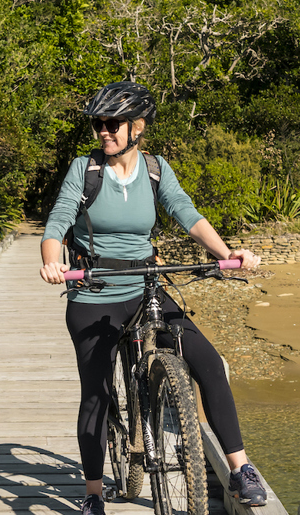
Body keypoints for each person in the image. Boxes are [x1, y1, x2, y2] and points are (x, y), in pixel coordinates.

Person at [38, 81, 267, 515]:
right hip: (93, 292)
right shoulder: (83, 169)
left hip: (146, 285)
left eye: (111, 124)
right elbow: (58, 221)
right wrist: (52, 261)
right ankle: (92, 492)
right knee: (97, 395)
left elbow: (186, 212)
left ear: (137, 127)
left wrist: (225, 253)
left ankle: (240, 469)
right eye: (97, 124)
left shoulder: (156, 169)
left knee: (210, 364)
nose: (102, 132)